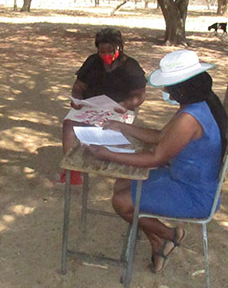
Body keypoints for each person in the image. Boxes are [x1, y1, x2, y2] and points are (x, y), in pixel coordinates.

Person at [87, 49, 227, 274]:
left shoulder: (189, 118)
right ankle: (159, 243)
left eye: (168, 86)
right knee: (121, 184)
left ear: (181, 87)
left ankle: (170, 235)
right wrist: (123, 126)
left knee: (122, 203)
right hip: (184, 178)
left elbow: (157, 157)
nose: (164, 90)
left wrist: (107, 154)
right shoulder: (199, 104)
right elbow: (161, 137)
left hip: (195, 193)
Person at [59, 28, 147, 184]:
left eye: (110, 51)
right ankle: (72, 170)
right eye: (102, 51)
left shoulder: (130, 66)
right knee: (68, 126)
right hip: (90, 106)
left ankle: (112, 164)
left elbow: (140, 94)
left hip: (119, 109)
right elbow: (79, 86)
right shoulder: (92, 62)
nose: (106, 55)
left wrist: (126, 104)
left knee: (113, 131)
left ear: (119, 47)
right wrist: (77, 99)